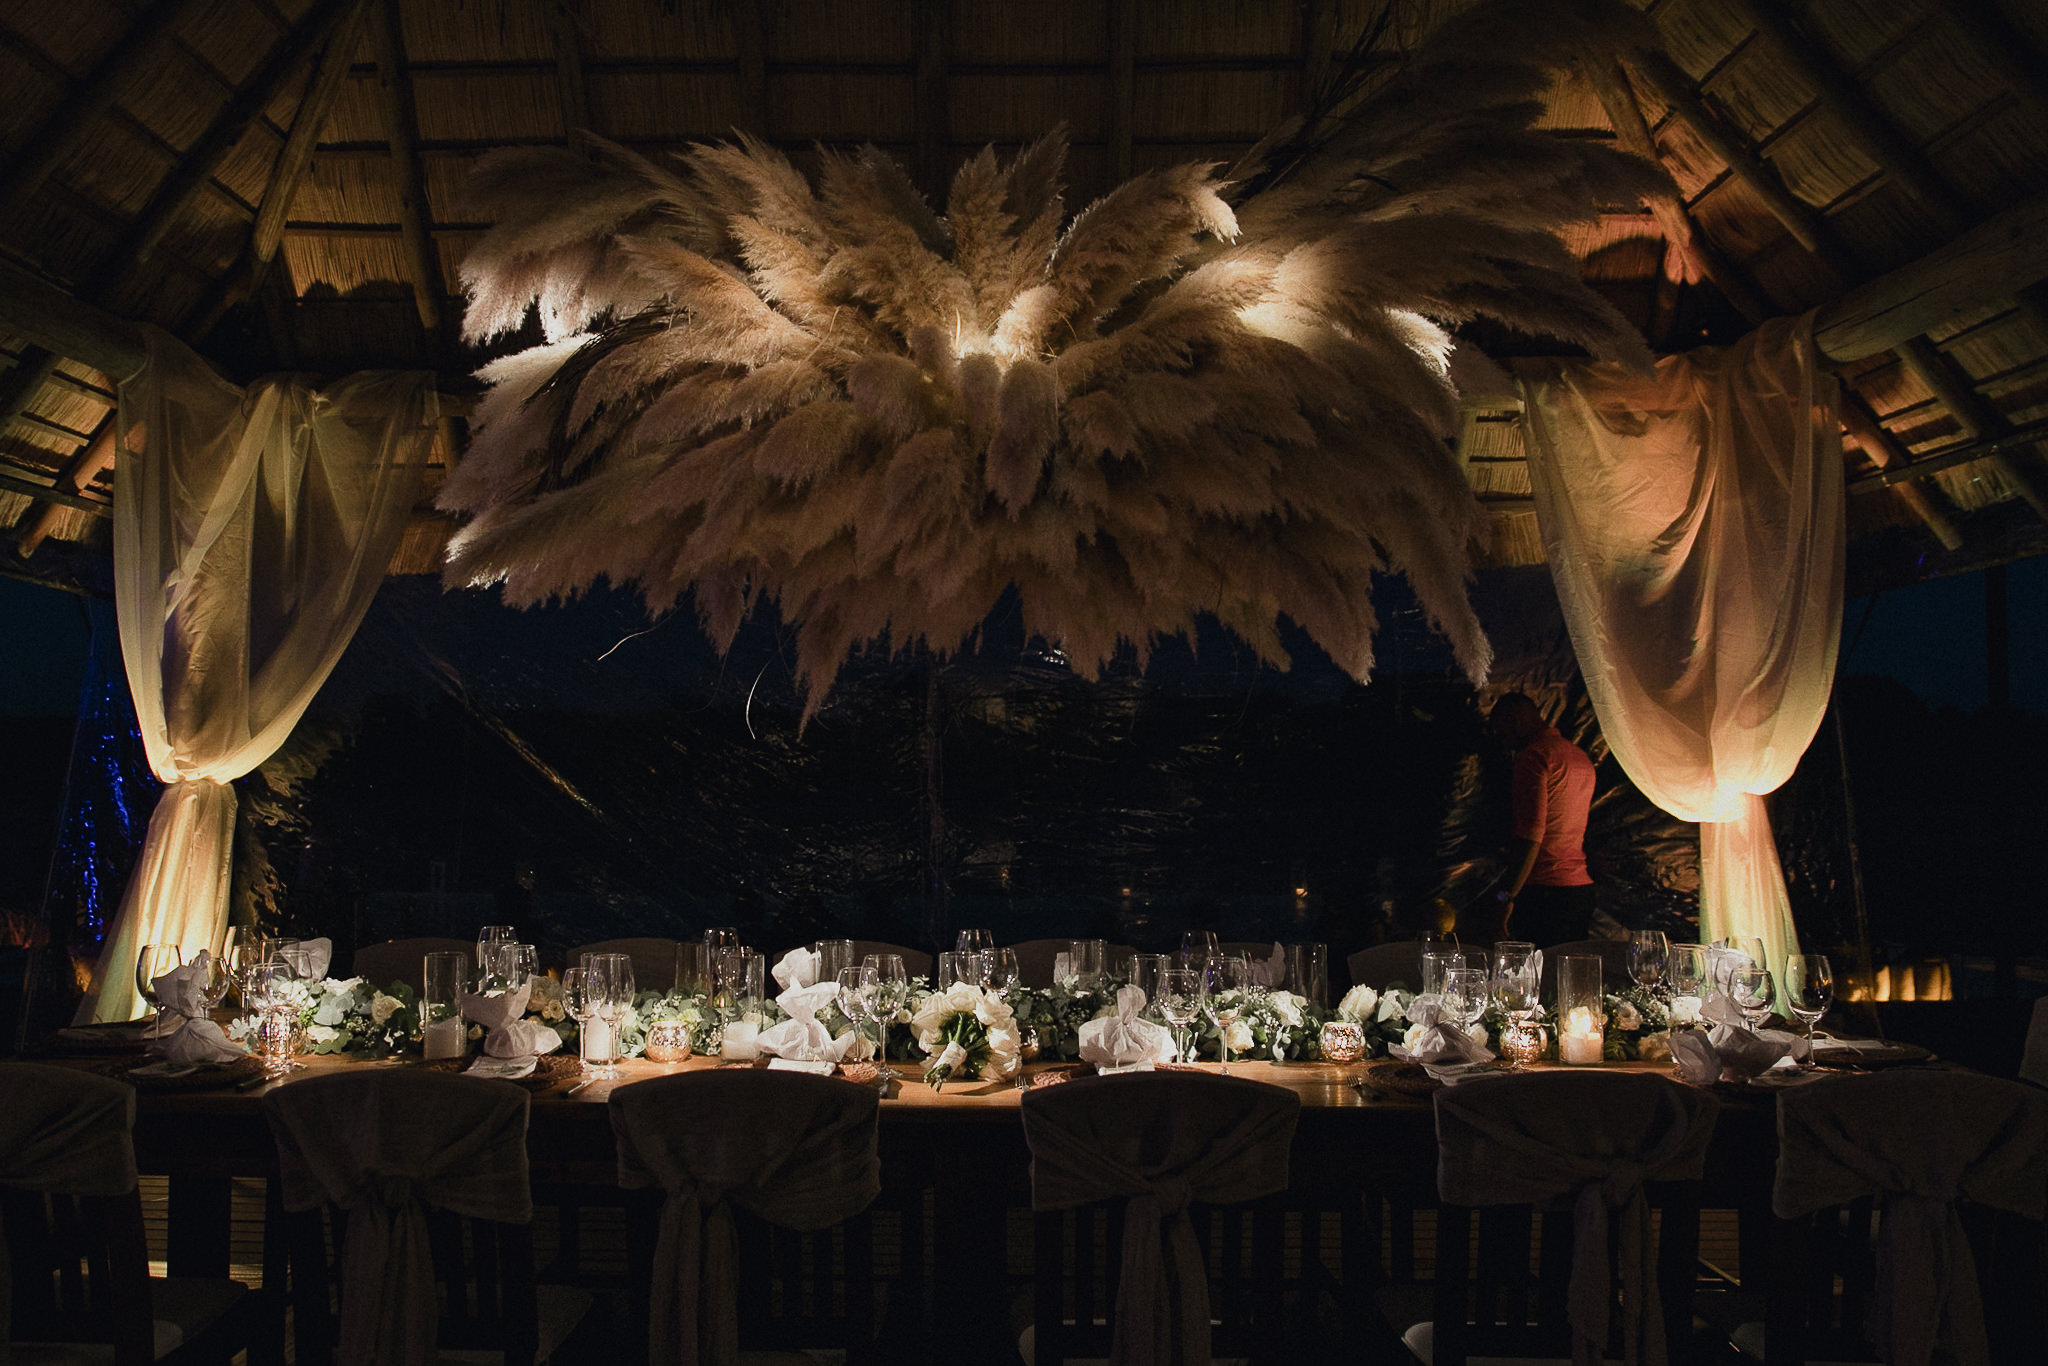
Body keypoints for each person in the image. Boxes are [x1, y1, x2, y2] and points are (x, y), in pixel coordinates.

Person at [1475, 692, 1596, 947]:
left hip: (1544, 893)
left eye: (1501, 732)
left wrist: (1506, 897)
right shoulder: (1579, 757)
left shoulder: (1533, 758)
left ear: (1514, 721)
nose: (1502, 741)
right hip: (1579, 889)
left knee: (1533, 970)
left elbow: (1531, 834)